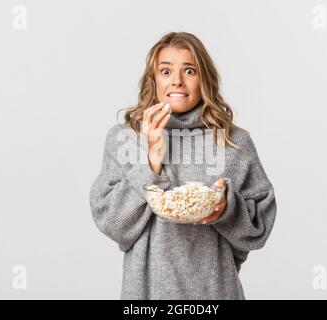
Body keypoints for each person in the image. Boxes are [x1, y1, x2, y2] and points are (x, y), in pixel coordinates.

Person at [89, 32, 277, 299]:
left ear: (205, 79)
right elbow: (113, 224)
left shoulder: (233, 142)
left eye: (189, 70)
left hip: (216, 292)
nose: (177, 80)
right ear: (152, 80)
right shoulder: (126, 138)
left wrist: (227, 206)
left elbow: (259, 228)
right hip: (147, 295)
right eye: (165, 71)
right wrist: (151, 162)